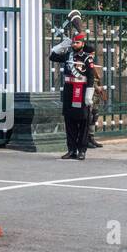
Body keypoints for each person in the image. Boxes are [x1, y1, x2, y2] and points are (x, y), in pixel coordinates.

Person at [49, 10, 95, 160]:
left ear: (82, 43)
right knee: (69, 121)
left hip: (82, 91)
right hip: (69, 90)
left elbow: (90, 76)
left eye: (77, 42)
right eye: (73, 42)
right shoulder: (68, 55)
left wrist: (89, 94)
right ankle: (71, 150)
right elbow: (52, 56)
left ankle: (82, 150)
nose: (74, 44)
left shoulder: (87, 58)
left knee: (83, 121)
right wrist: (62, 45)